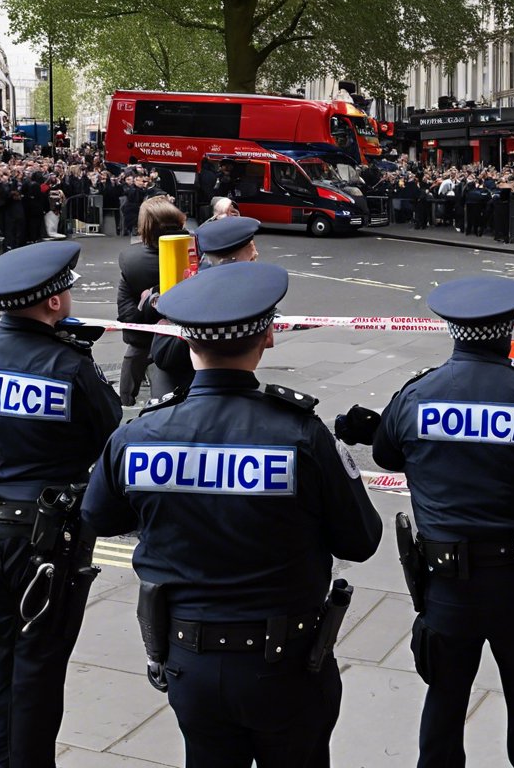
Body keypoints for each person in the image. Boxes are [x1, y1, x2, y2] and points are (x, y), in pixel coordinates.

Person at [82, 262, 383, 768]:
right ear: (267, 336)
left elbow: (103, 518)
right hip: (287, 662)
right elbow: (361, 540)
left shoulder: (139, 434)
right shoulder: (303, 435)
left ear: (186, 342)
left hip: (187, 663)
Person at [372, 277, 514, 768]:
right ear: (508, 330)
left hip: (446, 585)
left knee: (445, 703)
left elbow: (387, 455)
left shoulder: (417, 394)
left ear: (452, 330)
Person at [0, 241, 122, 768]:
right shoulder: (66, 365)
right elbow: (108, 424)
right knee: (35, 669)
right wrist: (81, 354)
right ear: (53, 302)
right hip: (42, 541)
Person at [150, 217, 262, 393]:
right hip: (188, 390)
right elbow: (164, 356)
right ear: (231, 259)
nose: (256, 253)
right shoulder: (196, 293)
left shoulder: (227, 287)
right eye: (250, 248)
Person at [116, 196, 187, 406]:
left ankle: (125, 401)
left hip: (143, 333)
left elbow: (127, 313)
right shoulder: (194, 250)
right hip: (183, 335)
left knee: (133, 358)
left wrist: (147, 303)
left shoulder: (132, 260)